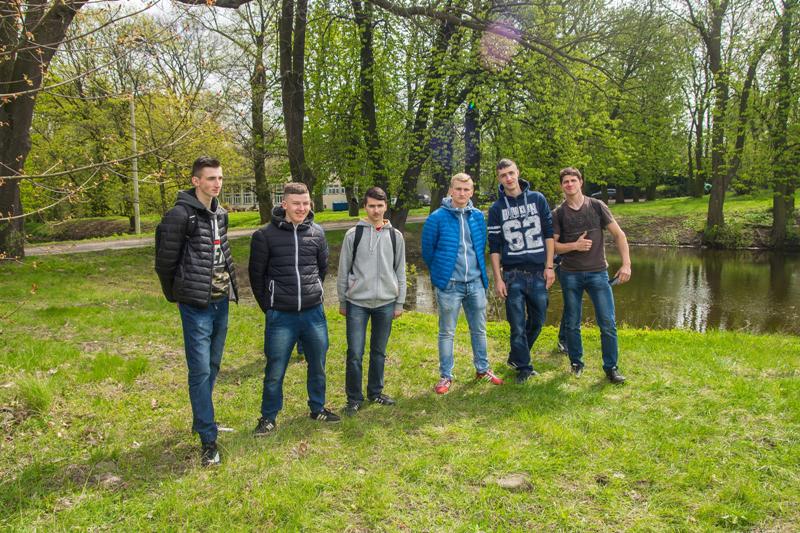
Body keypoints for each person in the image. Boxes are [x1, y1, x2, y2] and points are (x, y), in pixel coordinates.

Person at [155, 156, 238, 466]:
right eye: (211, 178)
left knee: (213, 365)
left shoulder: (221, 213)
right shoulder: (179, 215)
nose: (217, 183)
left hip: (220, 301)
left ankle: (202, 417)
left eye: (220, 178)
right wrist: (175, 296)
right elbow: (164, 262)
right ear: (196, 181)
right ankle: (208, 438)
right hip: (195, 306)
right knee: (200, 370)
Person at [249, 182, 339, 435]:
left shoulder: (317, 233)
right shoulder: (264, 235)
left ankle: (317, 408)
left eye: (306, 203)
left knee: (318, 364)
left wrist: (312, 293)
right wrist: (270, 306)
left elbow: (322, 269)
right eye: (296, 203)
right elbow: (256, 277)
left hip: (313, 313)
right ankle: (268, 417)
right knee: (275, 369)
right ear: (284, 204)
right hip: (281, 315)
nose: (301, 208)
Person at [422, 173, 503, 394]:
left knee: (479, 330)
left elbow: (480, 246)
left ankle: (482, 369)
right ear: (450, 190)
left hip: (475, 283)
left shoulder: (477, 216)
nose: (462, 193)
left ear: (472, 192)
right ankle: (445, 376)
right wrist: (442, 274)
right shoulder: (437, 218)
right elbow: (428, 251)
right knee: (447, 332)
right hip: (450, 285)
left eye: (466, 190)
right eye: (458, 189)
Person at [552, 167, 630, 383]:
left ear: (581, 182)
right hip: (570, 274)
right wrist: (574, 246)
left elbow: (619, 235)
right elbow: (553, 247)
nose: (569, 184)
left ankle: (611, 368)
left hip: (598, 273)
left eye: (573, 180)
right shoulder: (558, 213)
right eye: (565, 181)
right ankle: (576, 363)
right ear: (562, 186)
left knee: (607, 322)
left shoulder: (596, 206)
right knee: (572, 323)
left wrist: (626, 264)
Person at [337, 187, 406, 415]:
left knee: (379, 351)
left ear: (386, 206)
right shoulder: (353, 235)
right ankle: (354, 398)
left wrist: (399, 303)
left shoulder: (395, 236)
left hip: (386, 303)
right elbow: (343, 270)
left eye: (380, 206)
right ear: (365, 207)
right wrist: (343, 301)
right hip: (357, 303)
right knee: (355, 353)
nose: (376, 210)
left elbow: (400, 271)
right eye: (371, 206)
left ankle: (375, 392)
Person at [488, 158, 555, 384]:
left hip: (538, 272)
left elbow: (548, 234)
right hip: (513, 274)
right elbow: (494, 247)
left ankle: (516, 357)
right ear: (499, 179)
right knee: (516, 325)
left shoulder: (537, 199)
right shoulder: (496, 209)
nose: (508, 178)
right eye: (503, 175)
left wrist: (549, 266)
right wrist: (498, 279)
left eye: (511, 173)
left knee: (538, 320)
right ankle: (524, 367)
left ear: (517, 172)